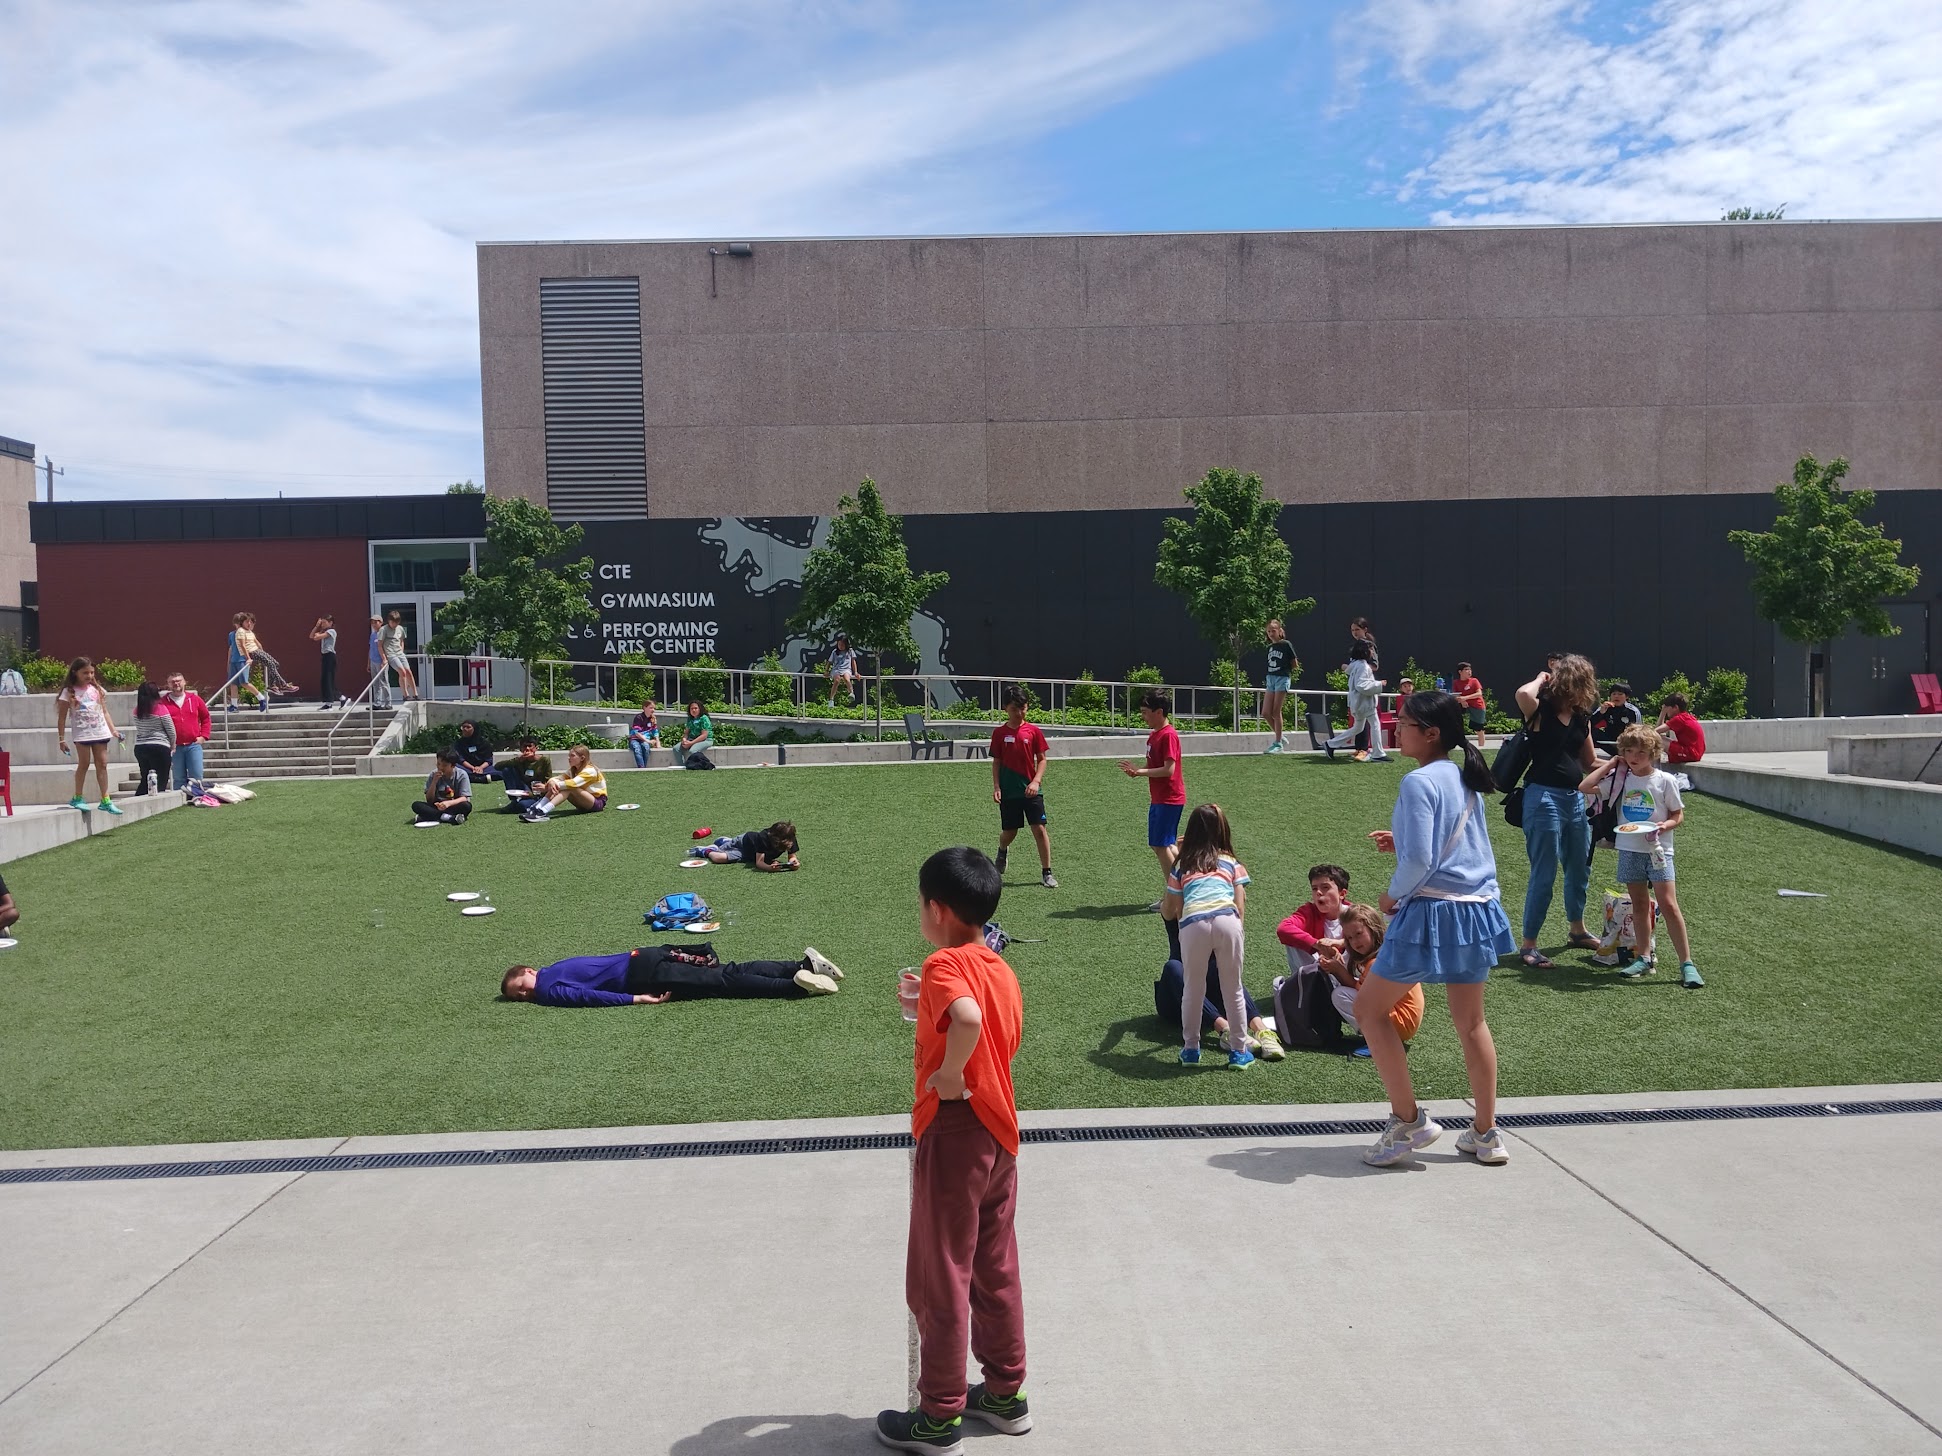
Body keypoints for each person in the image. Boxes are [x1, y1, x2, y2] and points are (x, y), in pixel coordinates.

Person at [877, 846, 1029, 1452]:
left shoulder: (944, 964)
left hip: (955, 1129)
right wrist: (928, 1008)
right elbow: (987, 1020)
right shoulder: (997, 965)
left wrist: (948, 1075)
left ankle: (938, 1414)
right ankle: (1004, 1393)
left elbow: (965, 1020)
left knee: (940, 1271)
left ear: (936, 909)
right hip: (999, 1134)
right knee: (995, 1265)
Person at [1358, 689, 1518, 1167]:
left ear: (1430, 733)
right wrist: (1403, 840)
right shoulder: (1463, 776)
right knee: (1472, 1024)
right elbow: (1462, 842)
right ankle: (1486, 1133)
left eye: (1403, 723)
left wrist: (1390, 895)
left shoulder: (1418, 781)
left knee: (1369, 1012)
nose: (1394, 728)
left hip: (1432, 912)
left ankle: (1408, 1120)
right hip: (1476, 910)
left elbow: (1423, 860)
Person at [1581, 725, 1702, 988]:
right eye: (1628, 751)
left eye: (1641, 752)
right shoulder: (1620, 778)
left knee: (1668, 905)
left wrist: (1663, 827)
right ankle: (1644, 956)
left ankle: (1687, 963)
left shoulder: (1665, 780)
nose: (1634, 757)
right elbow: (1585, 786)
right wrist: (1612, 762)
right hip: (1629, 848)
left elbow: (1677, 815)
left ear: (1654, 753)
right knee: (1639, 905)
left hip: (1659, 851)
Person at [1513, 653, 1602, 968]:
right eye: (1576, 684)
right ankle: (1529, 945)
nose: (1581, 691)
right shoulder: (1540, 710)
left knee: (1579, 867)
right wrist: (1542, 677)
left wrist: (1627, 765)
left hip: (1575, 800)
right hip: (1543, 799)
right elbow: (1523, 694)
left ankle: (1577, 930)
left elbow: (1589, 762)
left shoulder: (1582, 716)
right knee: (1545, 871)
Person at [1162, 803, 1255, 1069]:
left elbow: (1177, 909)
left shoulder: (1182, 867)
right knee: (1233, 988)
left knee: (1192, 988)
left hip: (1193, 923)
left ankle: (1191, 1049)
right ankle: (1238, 1051)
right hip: (1227, 920)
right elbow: (1240, 904)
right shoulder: (1231, 862)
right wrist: (1236, 931)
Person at [501, 943, 844, 1004]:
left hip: (644, 977)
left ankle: (796, 987)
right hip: (644, 954)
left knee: (723, 983)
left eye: (521, 987)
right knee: (729, 970)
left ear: (530, 972)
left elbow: (587, 996)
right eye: (520, 995)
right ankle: (801, 965)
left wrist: (636, 999)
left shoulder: (547, 989)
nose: (525, 994)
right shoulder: (555, 966)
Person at [1156, 906, 1283, 1059]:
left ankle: (1261, 1031)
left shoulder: (1218, 910)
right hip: (1175, 1001)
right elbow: (1168, 905)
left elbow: (1239, 900)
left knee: (1222, 968)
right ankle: (1226, 1030)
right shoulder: (1180, 906)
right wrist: (1176, 883)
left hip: (1210, 997)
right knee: (1173, 967)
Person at [1314, 902, 1425, 1048]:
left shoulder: (1376, 963)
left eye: (1358, 934)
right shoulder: (1387, 950)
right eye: (1350, 938)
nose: (1355, 942)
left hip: (1400, 1022)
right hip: (1405, 1020)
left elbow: (1362, 995)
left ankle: (1378, 1039)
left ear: (1373, 929)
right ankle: (1380, 1036)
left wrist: (1338, 970)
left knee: (1340, 995)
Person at [1118, 689, 1185, 890]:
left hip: (1168, 798)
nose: (1143, 716)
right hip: (1161, 799)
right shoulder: (1155, 735)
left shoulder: (1168, 736)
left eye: (1146, 712)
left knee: (1160, 845)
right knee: (1165, 845)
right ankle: (1181, 889)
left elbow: (1168, 769)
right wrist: (1137, 771)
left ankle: (1175, 894)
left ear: (1159, 712)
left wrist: (1140, 772)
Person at [989, 687, 1056, 888]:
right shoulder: (999, 733)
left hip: (1032, 791)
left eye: (1023, 708)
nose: (1019, 713)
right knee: (1010, 832)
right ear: (1005, 709)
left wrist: (1036, 781)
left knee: (1039, 829)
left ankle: (1047, 872)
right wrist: (997, 787)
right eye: (1014, 709)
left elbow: (1042, 760)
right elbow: (997, 762)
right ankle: (1002, 849)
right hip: (1009, 792)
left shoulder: (1034, 731)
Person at [55, 657, 123, 814]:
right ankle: (78, 797)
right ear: (75, 672)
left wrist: (113, 730)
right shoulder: (68, 692)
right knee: (84, 764)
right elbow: (62, 717)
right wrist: (61, 738)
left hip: (100, 731)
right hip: (83, 733)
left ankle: (105, 799)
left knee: (103, 764)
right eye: (85, 672)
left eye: (92, 672)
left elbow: (104, 711)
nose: (89, 676)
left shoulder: (97, 690)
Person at [1276, 863, 1349, 976]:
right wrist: (1317, 944)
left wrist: (1340, 943)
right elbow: (1283, 929)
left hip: (1348, 972)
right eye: (1314, 888)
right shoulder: (1309, 912)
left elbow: (1375, 937)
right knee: (1293, 940)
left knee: (1363, 939)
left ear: (1342, 893)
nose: (1318, 892)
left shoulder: (1355, 913)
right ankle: (1305, 983)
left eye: (1325, 887)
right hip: (1318, 970)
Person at [1325, 641, 1387, 762]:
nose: (1372, 652)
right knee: (1375, 724)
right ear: (1365, 651)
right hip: (1364, 704)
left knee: (1358, 728)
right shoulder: (1363, 666)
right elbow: (1362, 686)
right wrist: (1379, 684)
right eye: (1371, 649)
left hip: (1357, 704)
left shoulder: (1356, 665)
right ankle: (1378, 753)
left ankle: (1330, 744)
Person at [521, 743, 607, 821]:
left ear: (582, 758)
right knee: (563, 785)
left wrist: (547, 787)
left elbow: (574, 783)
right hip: (583, 803)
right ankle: (537, 808)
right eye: (569, 756)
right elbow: (559, 778)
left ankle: (543, 811)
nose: (569, 758)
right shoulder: (573, 770)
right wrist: (551, 782)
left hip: (597, 803)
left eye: (572, 756)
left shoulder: (590, 770)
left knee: (569, 787)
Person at [161, 672, 212, 789]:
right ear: (168, 685)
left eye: (178, 681)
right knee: (178, 778)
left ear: (184, 682)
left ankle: (197, 798)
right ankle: (181, 802)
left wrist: (204, 736)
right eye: (172, 682)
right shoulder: (163, 702)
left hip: (193, 745)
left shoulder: (194, 699)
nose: (176, 684)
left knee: (197, 776)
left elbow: (206, 718)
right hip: (175, 747)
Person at [235, 613, 299, 698]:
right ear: (242, 622)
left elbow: (257, 642)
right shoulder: (241, 631)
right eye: (247, 622)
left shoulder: (249, 631)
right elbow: (243, 645)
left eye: (250, 622)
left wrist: (264, 653)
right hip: (251, 652)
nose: (249, 624)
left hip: (257, 650)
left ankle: (272, 686)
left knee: (275, 664)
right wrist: (248, 658)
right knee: (271, 664)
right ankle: (283, 685)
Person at [131, 681, 177, 796]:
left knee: (145, 778)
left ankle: (138, 799)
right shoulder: (160, 709)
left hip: (140, 747)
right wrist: (173, 744)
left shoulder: (137, 710)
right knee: (161, 778)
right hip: (159, 746)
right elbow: (171, 730)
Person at [1262, 618, 1297, 753]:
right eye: (1269, 631)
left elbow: (1294, 663)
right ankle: (1280, 737)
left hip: (1282, 678)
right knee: (1265, 713)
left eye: (1273, 631)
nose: (1271, 633)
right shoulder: (1270, 647)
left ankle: (1278, 743)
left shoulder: (1286, 644)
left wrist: (1284, 671)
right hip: (1270, 678)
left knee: (1276, 711)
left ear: (1279, 631)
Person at [704, 822, 800, 870]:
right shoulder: (763, 838)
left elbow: (792, 856)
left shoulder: (789, 838)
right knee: (718, 857)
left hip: (749, 855)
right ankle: (707, 851)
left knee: (720, 858)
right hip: (743, 844)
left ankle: (723, 843)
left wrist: (793, 863)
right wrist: (769, 868)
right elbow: (759, 862)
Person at [413, 747, 472, 824]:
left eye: (444, 765)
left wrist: (448, 803)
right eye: (438, 764)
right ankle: (449, 817)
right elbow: (429, 800)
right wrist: (434, 782)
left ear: (453, 766)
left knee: (466, 806)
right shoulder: (433, 774)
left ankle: (429, 817)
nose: (440, 767)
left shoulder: (461, 775)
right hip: (437, 806)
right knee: (416, 805)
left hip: (453, 805)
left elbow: (464, 798)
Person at [496, 737, 553, 813]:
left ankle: (522, 803)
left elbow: (548, 780)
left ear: (536, 748)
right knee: (507, 769)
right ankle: (515, 799)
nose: (527, 749)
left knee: (521, 805)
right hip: (522, 788)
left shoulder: (544, 761)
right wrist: (518, 760)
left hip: (537, 792)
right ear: (521, 749)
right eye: (524, 746)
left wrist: (535, 793)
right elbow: (497, 766)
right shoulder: (520, 760)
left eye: (530, 746)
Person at [225, 613, 266, 711]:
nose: (237, 626)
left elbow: (257, 644)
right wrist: (228, 662)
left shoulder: (247, 633)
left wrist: (261, 654)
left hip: (242, 660)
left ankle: (261, 698)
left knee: (244, 682)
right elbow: (231, 649)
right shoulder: (231, 634)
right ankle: (234, 705)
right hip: (234, 661)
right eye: (236, 624)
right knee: (233, 683)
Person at [1657, 692, 1707, 764]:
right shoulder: (1686, 717)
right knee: (1657, 737)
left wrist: (1662, 712)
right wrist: (1663, 712)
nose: (1666, 710)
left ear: (1675, 707)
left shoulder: (1679, 719)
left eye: (1667, 708)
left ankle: (1654, 767)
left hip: (1691, 753)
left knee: (1656, 739)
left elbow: (1655, 732)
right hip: (1696, 752)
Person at [1590, 682, 1642, 752]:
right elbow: (1590, 724)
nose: (1616, 696)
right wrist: (1601, 713)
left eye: (1620, 694)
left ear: (1626, 697)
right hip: (1608, 740)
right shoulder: (1605, 707)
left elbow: (1639, 730)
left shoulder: (1633, 711)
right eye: (1614, 694)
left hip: (1625, 742)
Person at [380, 611, 419, 702]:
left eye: (396, 622)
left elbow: (401, 641)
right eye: (393, 622)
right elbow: (379, 645)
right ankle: (405, 695)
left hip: (399, 653)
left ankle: (415, 694)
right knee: (402, 671)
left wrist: (401, 650)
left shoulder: (400, 629)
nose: (394, 624)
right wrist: (384, 658)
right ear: (389, 621)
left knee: (408, 671)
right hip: (391, 654)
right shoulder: (384, 630)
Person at [1452, 661, 1488, 749]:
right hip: (1463, 705)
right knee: (1453, 719)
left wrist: (1465, 698)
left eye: (1470, 669)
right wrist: (1462, 701)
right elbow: (1456, 695)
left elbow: (1479, 694)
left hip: (1477, 705)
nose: (1469, 672)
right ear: (1460, 672)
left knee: (1478, 728)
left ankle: (1481, 747)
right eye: (1466, 669)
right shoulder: (1456, 682)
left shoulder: (1474, 681)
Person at [309, 615, 341, 707]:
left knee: (328, 679)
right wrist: (316, 626)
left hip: (330, 656)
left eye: (324, 622)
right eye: (321, 623)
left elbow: (317, 637)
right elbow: (311, 636)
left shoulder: (332, 631)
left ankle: (329, 703)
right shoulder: (323, 631)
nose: (322, 624)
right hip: (325, 656)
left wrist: (318, 635)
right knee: (326, 679)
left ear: (330, 623)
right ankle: (342, 698)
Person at [673, 700, 713, 767]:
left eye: (696, 708)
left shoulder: (704, 718)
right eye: (692, 709)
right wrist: (684, 740)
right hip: (691, 739)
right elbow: (686, 733)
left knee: (693, 750)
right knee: (676, 748)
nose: (694, 710)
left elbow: (704, 735)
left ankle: (696, 766)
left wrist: (691, 743)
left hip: (705, 740)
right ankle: (682, 766)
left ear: (700, 709)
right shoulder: (690, 719)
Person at [367, 615, 393, 709]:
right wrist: (369, 662)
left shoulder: (384, 633)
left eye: (375, 622)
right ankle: (377, 703)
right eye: (372, 622)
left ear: (381, 622)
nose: (373, 624)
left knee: (384, 682)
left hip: (381, 661)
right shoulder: (372, 634)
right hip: (373, 661)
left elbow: (386, 648)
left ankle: (388, 703)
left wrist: (384, 660)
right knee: (375, 683)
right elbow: (371, 648)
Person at [828, 633, 860, 705]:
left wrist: (856, 672)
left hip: (846, 669)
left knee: (846, 678)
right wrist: (826, 671)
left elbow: (853, 662)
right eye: (839, 645)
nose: (840, 646)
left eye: (842, 645)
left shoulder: (850, 651)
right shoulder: (835, 652)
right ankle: (831, 699)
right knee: (837, 680)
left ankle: (851, 692)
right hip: (836, 669)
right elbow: (829, 662)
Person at [628, 699, 661, 767]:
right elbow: (637, 732)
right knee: (637, 748)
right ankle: (641, 767)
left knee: (646, 747)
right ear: (644, 708)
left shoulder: (653, 719)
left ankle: (644, 767)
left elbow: (655, 731)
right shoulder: (638, 717)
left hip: (645, 739)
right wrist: (648, 741)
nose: (653, 710)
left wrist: (658, 743)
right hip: (635, 739)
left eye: (654, 708)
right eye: (651, 708)